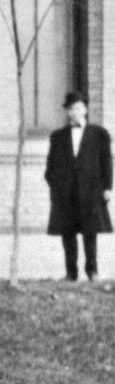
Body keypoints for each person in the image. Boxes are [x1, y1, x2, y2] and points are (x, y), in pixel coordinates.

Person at [45, 92, 113, 282]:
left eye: (78, 108)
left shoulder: (99, 134)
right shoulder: (58, 136)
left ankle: (92, 271)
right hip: (66, 193)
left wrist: (107, 187)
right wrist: (56, 186)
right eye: (70, 109)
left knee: (90, 232)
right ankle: (71, 272)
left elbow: (106, 162)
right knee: (68, 233)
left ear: (85, 109)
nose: (74, 113)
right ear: (67, 112)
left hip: (91, 192)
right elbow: (50, 167)